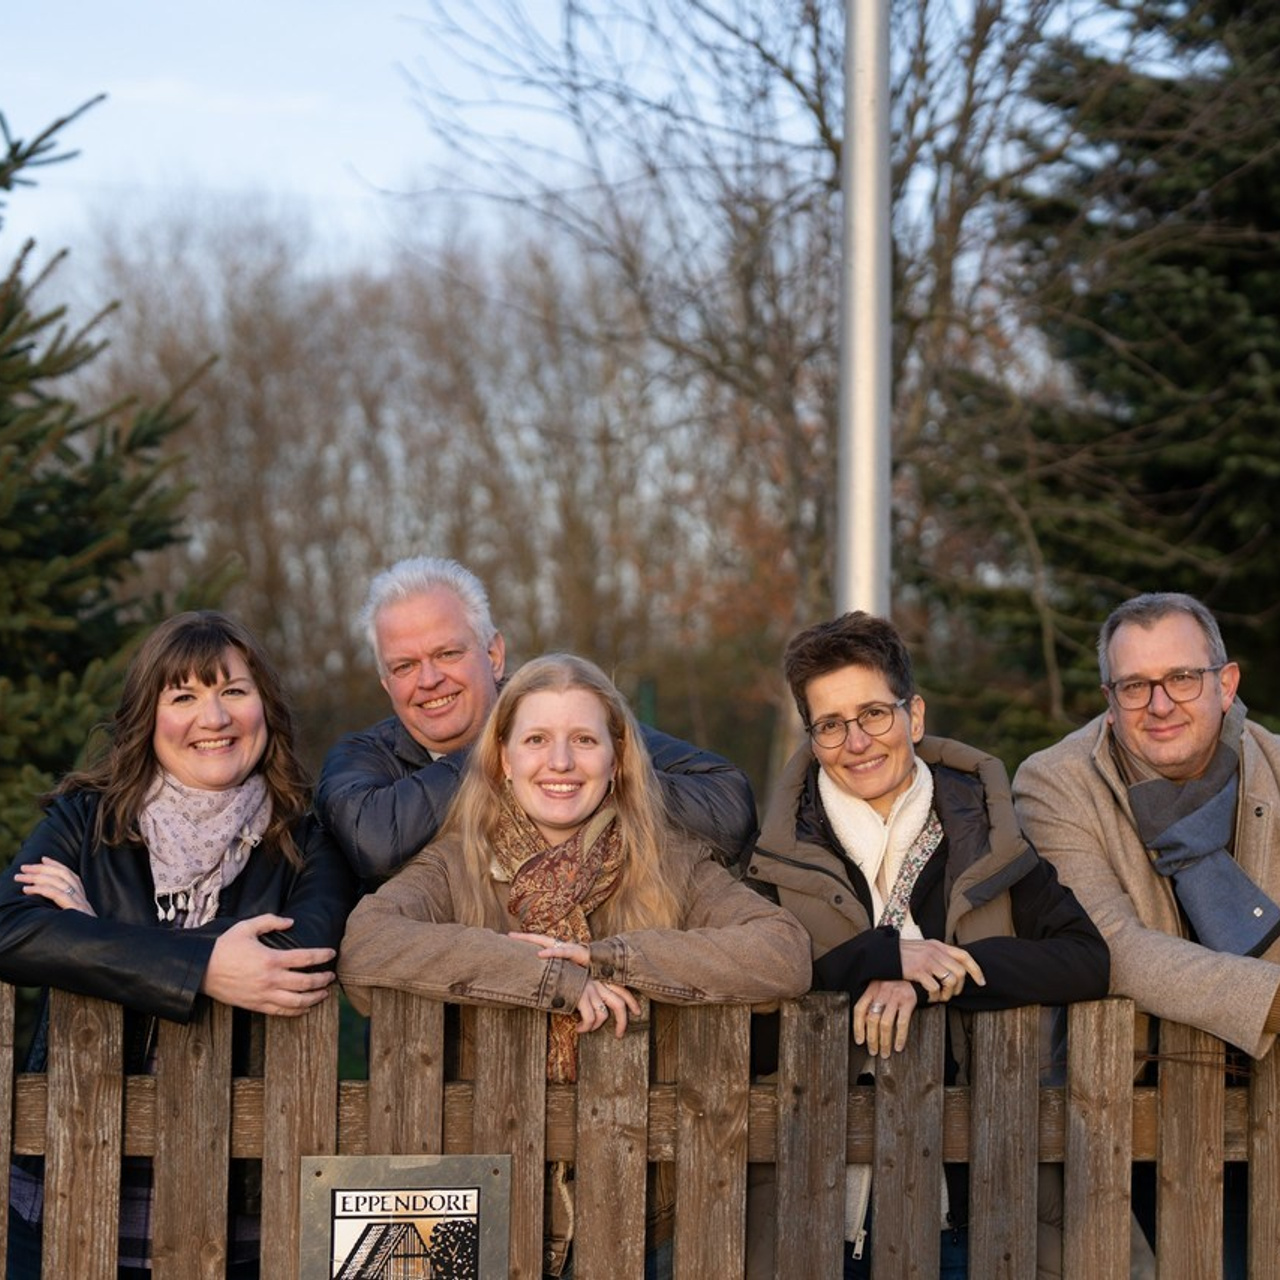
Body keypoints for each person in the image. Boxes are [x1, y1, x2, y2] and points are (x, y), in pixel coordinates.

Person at [338, 653, 812, 1277]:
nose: (560, 763)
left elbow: (782, 951)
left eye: (584, 740)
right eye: (536, 740)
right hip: (481, 1213)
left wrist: (614, 959)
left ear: (617, 758)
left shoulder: (671, 860)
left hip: (650, 1221)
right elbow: (366, 944)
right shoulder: (453, 863)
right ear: (503, 758)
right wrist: (547, 975)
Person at [744, 612, 1109, 1279]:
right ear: (813, 738)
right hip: (816, 1213)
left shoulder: (987, 841)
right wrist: (875, 960)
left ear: (914, 716)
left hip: (975, 1209)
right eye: (831, 724)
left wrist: (937, 974)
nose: (856, 741)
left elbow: (1087, 958)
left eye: (874, 714)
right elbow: (752, 1025)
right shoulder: (775, 861)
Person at [0, 611, 358, 1279]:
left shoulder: (310, 842)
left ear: (266, 708)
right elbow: (13, 928)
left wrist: (93, 930)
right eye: (184, 696)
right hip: (75, 1173)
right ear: (149, 717)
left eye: (233, 691)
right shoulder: (84, 820)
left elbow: (298, 955)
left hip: (239, 1200)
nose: (212, 717)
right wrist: (208, 966)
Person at [1013, 591, 1280, 1278]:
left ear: (1227, 683)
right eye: (1136, 686)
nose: (1160, 704)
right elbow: (1110, 945)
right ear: (1110, 698)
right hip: (1132, 1114)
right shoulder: (1056, 784)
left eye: (1182, 679)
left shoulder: (1276, 770)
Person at [315, 557, 757, 884]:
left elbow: (729, 807)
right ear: (385, 684)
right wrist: (505, 750)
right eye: (404, 667)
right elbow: (374, 844)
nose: (429, 680)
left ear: (493, 655)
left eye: (447, 654)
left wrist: (596, 777)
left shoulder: (567, 717)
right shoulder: (361, 758)